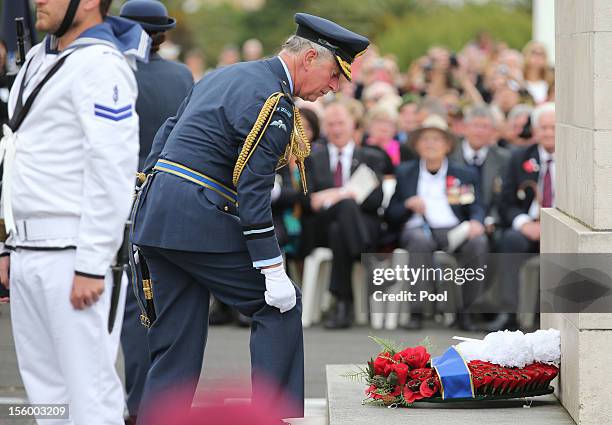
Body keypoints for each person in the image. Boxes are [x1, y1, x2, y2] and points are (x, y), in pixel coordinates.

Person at [131, 13, 368, 421]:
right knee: (280, 308)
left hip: (158, 215)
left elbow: (167, 131)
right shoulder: (274, 100)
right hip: (199, 218)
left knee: (175, 346)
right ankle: (275, 416)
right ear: (309, 57)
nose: (333, 87)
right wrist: (271, 265)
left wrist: (146, 196)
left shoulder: (228, 74)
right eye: (333, 74)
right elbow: (253, 188)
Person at [0, 0, 148, 424]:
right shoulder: (37, 57)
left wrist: (91, 262)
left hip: (73, 254)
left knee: (90, 394)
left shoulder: (102, 65)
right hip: (28, 248)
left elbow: (111, 168)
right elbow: (19, 155)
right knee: (44, 392)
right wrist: (9, 243)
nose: (37, 1)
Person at [118, 1, 193, 423]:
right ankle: (161, 405)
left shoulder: (112, 69)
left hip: (116, 197)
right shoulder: (181, 75)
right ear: (162, 34)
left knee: (132, 309)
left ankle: (134, 403)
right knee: (162, 305)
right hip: (165, 200)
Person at [385, 115, 487, 331]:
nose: (431, 144)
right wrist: (407, 205)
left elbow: (476, 206)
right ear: (417, 144)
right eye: (425, 139)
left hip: (454, 228)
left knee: (478, 242)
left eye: (437, 139)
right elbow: (390, 214)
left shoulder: (463, 173)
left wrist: (477, 222)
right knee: (419, 241)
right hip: (418, 229)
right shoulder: (406, 172)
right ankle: (418, 311)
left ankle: (467, 312)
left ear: (448, 145)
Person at [301, 101, 386, 329]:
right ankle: (363, 254)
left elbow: (375, 201)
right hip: (322, 224)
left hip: (359, 223)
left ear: (353, 126)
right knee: (346, 206)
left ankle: (342, 303)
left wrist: (335, 194)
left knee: (340, 229)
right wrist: (347, 194)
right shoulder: (312, 159)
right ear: (325, 128)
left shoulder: (371, 157)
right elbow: (311, 201)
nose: (336, 129)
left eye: (341, 123)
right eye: (331, 124)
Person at [495, 102, 556, 330]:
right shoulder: (518, 157)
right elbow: (505, 203)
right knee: (510, 240)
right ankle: (509, 313)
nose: (549, 133)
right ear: (535, 130)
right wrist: (524, 223)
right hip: (529, 227)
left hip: (561, 228)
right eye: (544, 128)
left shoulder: (575, 158)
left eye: (554, 127)